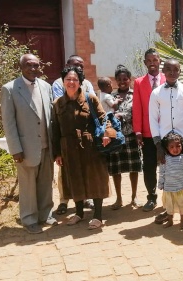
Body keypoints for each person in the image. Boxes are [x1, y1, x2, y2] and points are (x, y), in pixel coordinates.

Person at [1, 54, 56, 234]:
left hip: (47, 145)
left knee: (45, 183)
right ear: (21, 67)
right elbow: (8, 123)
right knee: (28, 186)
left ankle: (45, 214)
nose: (33, 69)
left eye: (36, 66)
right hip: (25, 148)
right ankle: (29, 218)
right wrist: (15, 149)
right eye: (29, 65)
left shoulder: (46, 87)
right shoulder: (10, 89)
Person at [52, 66, 112, 230]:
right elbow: (55, 129)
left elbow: (103, 118)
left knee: (95, 178)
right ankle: (79, 213)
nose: (71, 82)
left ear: (80, 82)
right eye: (68, 79)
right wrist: (57, 153)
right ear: (63, 82)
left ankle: (98, 215)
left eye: (75, 80)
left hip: (90, 145)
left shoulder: (90, 98)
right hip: (68, 148)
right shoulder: (58, 104)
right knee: (74, 178)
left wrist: (107, 134)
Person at [149, 58, 183, 223]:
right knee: (168, 177)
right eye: (168, 69)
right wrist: (158, 146)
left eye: (175, 69)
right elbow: (153, 119)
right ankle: (169, 212)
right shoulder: (156, 93)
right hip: (165, 142)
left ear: (180, 71)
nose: (172, 72)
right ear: (163, 71)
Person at [53, 55, 95, 214]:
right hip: (66, 133)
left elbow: (91, 104)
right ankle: (64, 201)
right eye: (75, 65)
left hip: (84, 133)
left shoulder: (88, 83)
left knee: (84, 167)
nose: (79, 68)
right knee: (65, 170)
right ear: (67, 66)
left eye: (81, 66)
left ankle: (86, 198)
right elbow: (59, 104)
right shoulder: (58, 83)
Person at [132, 48, 166, 212]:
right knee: (149, 166)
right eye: (149, 61)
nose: (152, 63)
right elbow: (137, 108)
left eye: (155, 60)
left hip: (167, 132)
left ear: (160, 61)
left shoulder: (168, 78)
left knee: (168, 165)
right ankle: (151, 197)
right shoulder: (139, 82)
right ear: (145, 63)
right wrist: (138, 131)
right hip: (147, 133)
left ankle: (169, 196)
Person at [108, 65, 143, 210]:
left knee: (133, 167)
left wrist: (125, 116)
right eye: (119, 79)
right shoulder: (111, 97)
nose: (122, 81)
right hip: (116, 137)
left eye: (125, 79)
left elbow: (139, 112)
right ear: (116, 81)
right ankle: (119, 198)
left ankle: (134, 196)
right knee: (116, 169)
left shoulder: (135, 95)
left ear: (129, 80)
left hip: (131, 135)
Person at [157, 132, 183, 229]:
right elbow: (162, 172)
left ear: (182, 146)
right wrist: (160, 183)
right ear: (167, 148)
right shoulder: (164, 160)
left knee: (182, 205)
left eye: (178, 146)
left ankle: (182, 221)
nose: (175, 149)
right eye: (172, 147)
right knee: (169, 207)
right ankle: (170, 221)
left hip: (181, 188)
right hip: (168, 189)